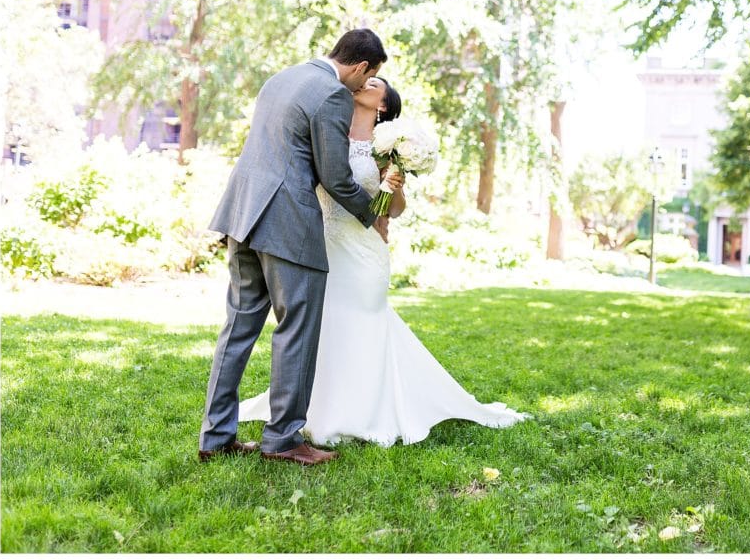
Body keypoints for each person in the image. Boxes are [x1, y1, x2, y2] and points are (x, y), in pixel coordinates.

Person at [238, 77, 527, 447]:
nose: (364, 82)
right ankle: (315, 408)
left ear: (384, 105)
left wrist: (395, 187)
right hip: (324, 242)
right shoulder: (329, 131)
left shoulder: (386, 148)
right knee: (325, 326)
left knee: (363, 323)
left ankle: (363, 412)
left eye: (375, 82)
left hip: (364, 251)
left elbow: (391, 212)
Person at [198, 29, 388, 466]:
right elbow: (335, 175)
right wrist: (370, 212)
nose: (362, 87)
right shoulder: (333, 94)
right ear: (361, 67)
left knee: (238, 327)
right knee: (296, 329)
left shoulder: (282, 78)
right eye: (368, 78)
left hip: (243, 214)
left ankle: (215, 436)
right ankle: (283, 439)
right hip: (287, 224)